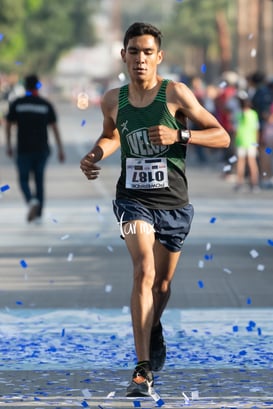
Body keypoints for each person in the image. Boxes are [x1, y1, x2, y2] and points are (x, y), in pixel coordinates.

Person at [80, 22, 230, 397]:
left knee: (162, 285)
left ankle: (153, 326)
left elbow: (222, 135)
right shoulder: (113, 99)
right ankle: (142, 369)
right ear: (124, 55)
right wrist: (96, 153)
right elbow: (111, 134)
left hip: (174, 205)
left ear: (159, 57)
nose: (140, 59)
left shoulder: (175, 94)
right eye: (134, 51)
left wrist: (180, 134)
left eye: (148, 52)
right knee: (143, 269)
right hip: (133, 200)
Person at [5, 74, 65, 222]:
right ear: (38, 86)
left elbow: (8, 124)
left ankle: (31, 201)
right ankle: (38, 214)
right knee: (39, 181)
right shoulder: (45, 104)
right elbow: (54, 128)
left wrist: (8, 145)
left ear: (25, 86)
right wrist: (60, 149)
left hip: (24, 149)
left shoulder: (18, 103)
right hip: (42, 149)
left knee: (23, 179)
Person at [234, 94, 259, 192]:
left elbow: (235, 130)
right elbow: (256, 130)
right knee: (252, 163)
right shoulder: (253, 114)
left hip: (241, 141)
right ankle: (254, 184)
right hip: (251, 142)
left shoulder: (238, 114)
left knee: (240, 163)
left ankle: (239, 183)